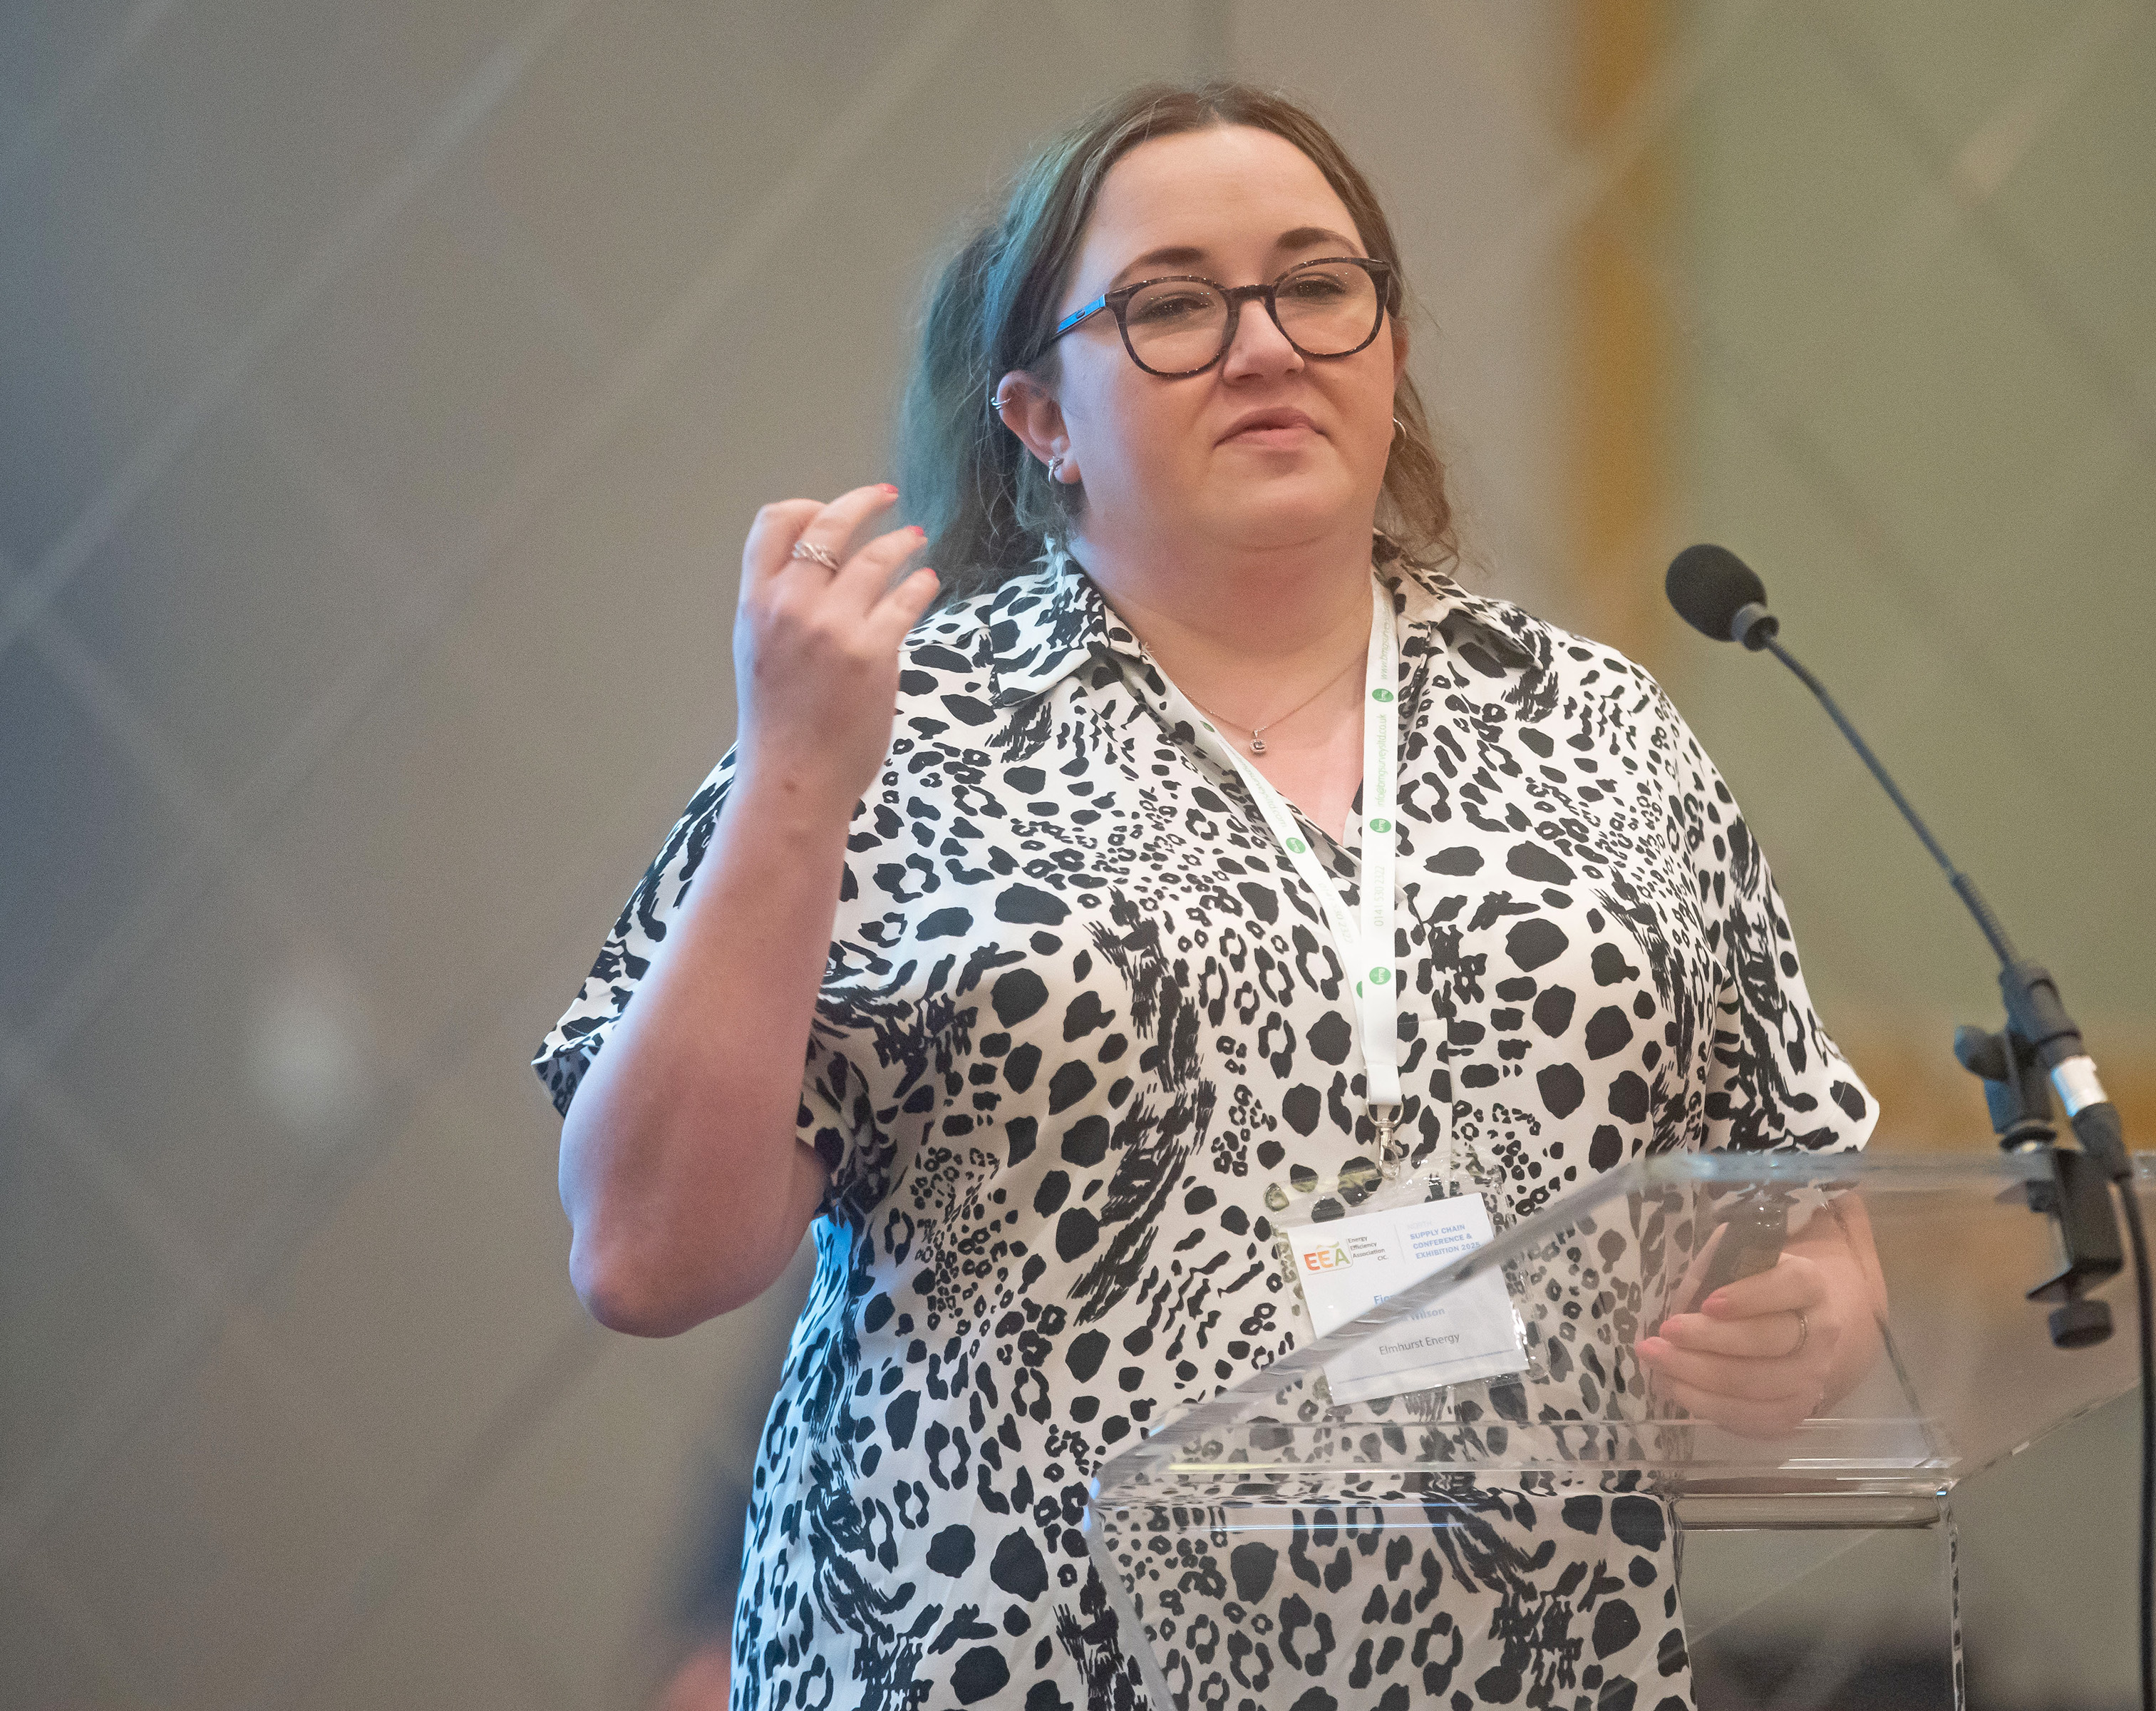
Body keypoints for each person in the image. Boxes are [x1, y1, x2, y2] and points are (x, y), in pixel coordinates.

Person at [535, 81, 1878, 1711]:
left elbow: (1805, 1211)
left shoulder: (1602, 732)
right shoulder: (896, 732)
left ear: (1389, 348)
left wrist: (1813, 1321)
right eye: (1173, 306)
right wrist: (796, 777)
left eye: (1317, 285)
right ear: (1039, 417)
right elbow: (644, 1252)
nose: (1265, 345)